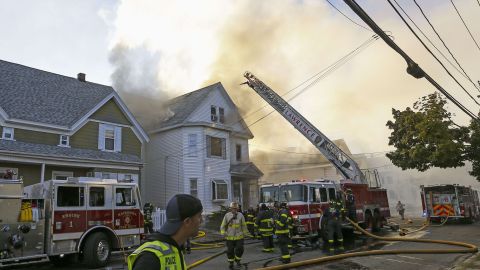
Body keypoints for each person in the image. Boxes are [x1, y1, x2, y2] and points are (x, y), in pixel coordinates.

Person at [128, 194, 203, 270]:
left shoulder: (175, 248)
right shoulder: (150, 258)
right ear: (187, 221)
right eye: (199, 216)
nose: (202, 220)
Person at [220, 202, 249, 269]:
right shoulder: (227, 215)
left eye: (235, 208)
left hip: (239, 237)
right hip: (229, 237)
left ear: (237, 209)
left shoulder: (240, 215)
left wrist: (246, 233)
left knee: (240, 249)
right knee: (230, 251)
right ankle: (231, 263)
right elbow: (223, 225)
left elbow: (244, 225)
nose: (234, 210)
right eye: (233, 208)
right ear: (230, 209)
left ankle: (238, 260)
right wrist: (223, 232)